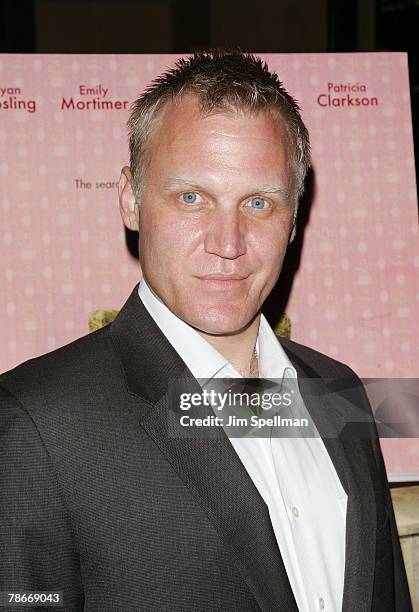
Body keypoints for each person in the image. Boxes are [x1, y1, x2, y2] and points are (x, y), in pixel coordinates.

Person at [0, 50, 411, 611]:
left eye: (259, 203)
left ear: (294, 217)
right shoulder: (34, 421)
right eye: (192, 198)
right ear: (131, 200)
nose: (229, 243)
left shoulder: (338, 392)